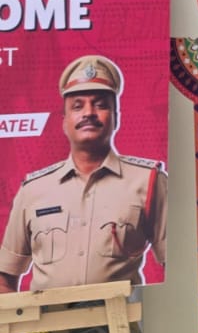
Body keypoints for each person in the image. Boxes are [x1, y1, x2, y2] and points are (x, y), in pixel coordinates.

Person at [0, 56, 167, 294]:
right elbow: (5, 276)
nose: (88, 113)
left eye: (100, 105)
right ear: (64, 121)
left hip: (119, 317)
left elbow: (177, 266)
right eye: (77, 106)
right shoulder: (33, 190)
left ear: (116, 117)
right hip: (48, 319)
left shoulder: (148, 181)